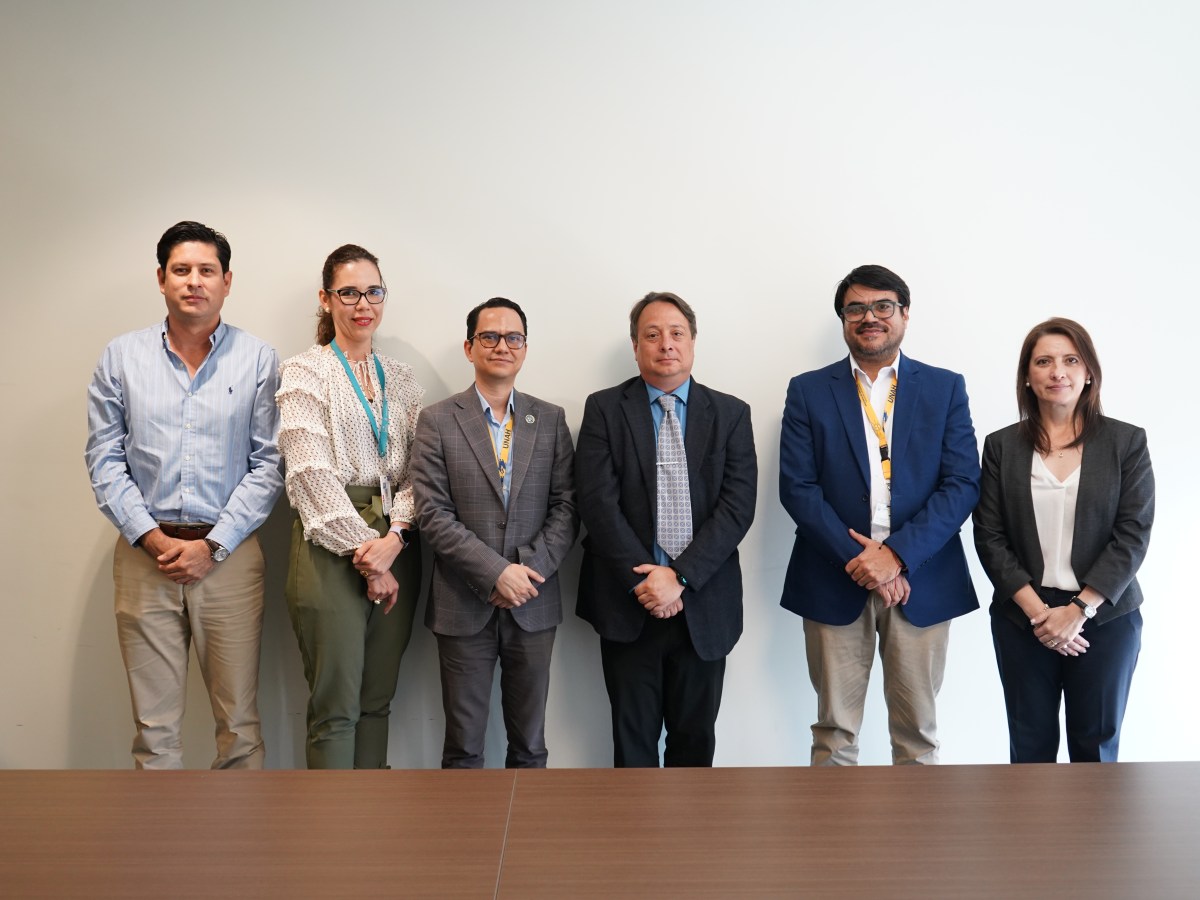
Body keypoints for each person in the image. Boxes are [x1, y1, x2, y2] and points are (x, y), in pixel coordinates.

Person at [85, 220, 283, 769]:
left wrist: (212, 547)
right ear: (161, 278)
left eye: (206, 270)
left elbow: (269, 463)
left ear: (226, 281)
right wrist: (152, 538)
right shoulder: (121, 357)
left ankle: (240, 829)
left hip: (229, 558)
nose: (194, 281)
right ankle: (160, 830)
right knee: (155, 731)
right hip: (144, 557)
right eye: (181, 270)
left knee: (239, 726)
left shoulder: (258, 359)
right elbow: (104, 459)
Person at [779, 264, 980, 766]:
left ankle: (916, 825)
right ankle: (834, 824)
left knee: (918, 733)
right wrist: (864, 562)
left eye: (883, 306)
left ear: (905, 314)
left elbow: (962, 484)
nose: (870, 317)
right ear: (843, 321)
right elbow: (798, 488)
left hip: (922, 577)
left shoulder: (944, 387)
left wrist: (896, 557)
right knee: (834, 732)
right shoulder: (808, 390)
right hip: (833, 573)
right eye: (856, 309)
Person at [575, 292, 757, 767]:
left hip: (704, 602)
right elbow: (597, 503)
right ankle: (635, 823)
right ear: (635, 346)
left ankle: (691, 824)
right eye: (652, 335)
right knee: (632, 746)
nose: (666, 344)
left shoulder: (731, 414)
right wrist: (648, 581)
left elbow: (737, 507)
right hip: (628, 601)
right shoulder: (604, 409)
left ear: (693, 341)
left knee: (694, 744)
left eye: (677, 333)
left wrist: (678, 576)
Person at [973, 318, 1153, 763]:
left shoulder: (1126, 442)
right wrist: (1041, 616)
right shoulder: (1001, 446)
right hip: (1023, 618)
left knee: (1096, 749)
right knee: (1030, 749)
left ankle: (1094, 821)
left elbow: (1133, 534)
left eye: (1071, 360)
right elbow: (990, 535)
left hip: (1104, 616)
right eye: (1044, 362)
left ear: (1088, 371)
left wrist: (1078, 612)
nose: (1058, 372)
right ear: (1027, 376)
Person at [411, 298, 578, 768]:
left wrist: (524, 571)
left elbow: (567, 506)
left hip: (533, 600)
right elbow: (433, 512)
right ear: (469, 348)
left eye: (513, 337)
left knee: (530, 746)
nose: (502, 346)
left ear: (525, 348)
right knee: (463, 748)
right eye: (489, 336)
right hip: (463, 603)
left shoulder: (550, 419)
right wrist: (495, 573)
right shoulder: (437, 420)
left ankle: (528, 822)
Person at [275, 244, 423, 769]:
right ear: (326, 298)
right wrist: (370, 556)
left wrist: (395, 539)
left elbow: (420, 471)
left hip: (398, 540)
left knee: (377, 701)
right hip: (329, 543)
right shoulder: (303, 372)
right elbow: (309, 474)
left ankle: (373, 818)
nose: (363, 304)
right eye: (349, 293)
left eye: (373, 292)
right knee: (335, 709)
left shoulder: (402, 378)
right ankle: (330, 823)